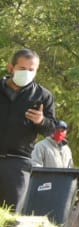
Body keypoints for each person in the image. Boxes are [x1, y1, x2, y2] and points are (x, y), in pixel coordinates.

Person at [0, 48, 58, 211]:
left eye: (31, 70)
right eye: (22, 69)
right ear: (11, 68)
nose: (27, 73)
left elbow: (52, 130)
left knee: (9, 215)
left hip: (18, 163)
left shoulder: (43, 96)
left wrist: (41, 121)